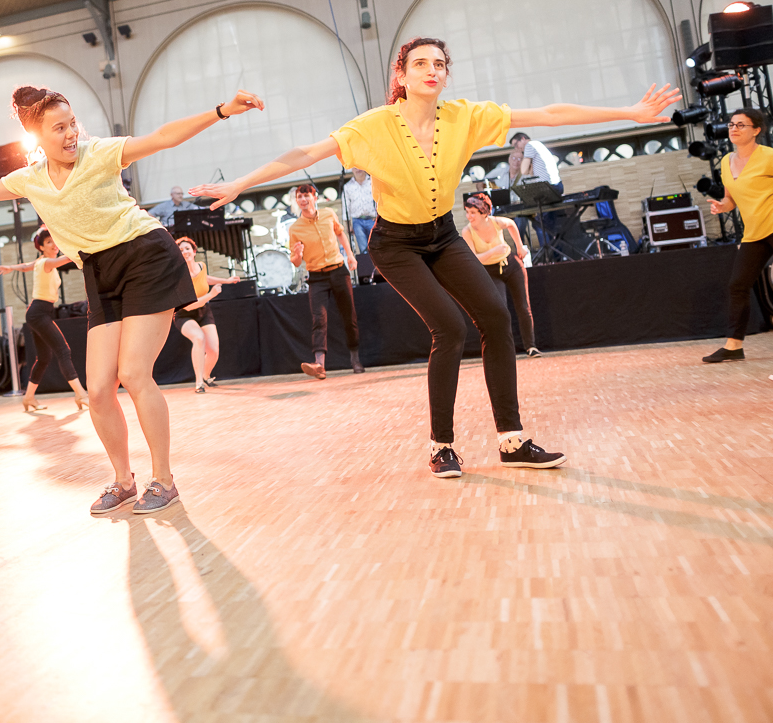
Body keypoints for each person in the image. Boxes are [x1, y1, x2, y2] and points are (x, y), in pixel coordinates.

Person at [193, 36, 679, 478]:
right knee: (449, 327)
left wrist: (631, 113)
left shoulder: (465, 116)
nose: (432, 70)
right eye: (420, 63)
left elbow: (548, 114)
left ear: (447, 75)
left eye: (440, 64)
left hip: (443, 236)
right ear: (400, 76)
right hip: (395, 244)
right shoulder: (374, 126)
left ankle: (511, 439)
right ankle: (441, 445)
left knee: (494, 314)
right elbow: (304, 154)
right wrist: (240, 183)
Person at [0, 84, 266, 514]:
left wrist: (222, 110)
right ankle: (122, 480)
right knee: (97, 389)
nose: (70, 133)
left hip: (145, 255)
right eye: (58, 128)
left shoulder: (99, 153)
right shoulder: (30, 179)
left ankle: (164, 480)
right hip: (99, 272)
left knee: (134, 374)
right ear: (37, 137)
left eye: (72, 123)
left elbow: (162, 136)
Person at [699, 107, 773, 364]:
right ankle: (733, 346)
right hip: (753, 233)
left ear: (756, 130)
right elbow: (731, 200)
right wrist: (722, 206)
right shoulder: (725, 161)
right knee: (738, 285)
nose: (733, 128)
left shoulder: (771, 156)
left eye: (741, 125)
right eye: (731, 124)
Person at [0, 227, 90, 412]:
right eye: (48, 242)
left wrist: (10, 268)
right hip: (39, 312)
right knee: (63, 350)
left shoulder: (40, 262)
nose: (54, 245)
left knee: (44, 358)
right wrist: (81, 245)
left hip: (39, 313)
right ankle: (80, 394)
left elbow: (25, 267)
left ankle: (29, 398)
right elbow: (67, 258)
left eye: (55, 241)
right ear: (41, 246)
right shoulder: (47, 262)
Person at [288, 183, 362, 380]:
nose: (303, 200)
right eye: (299, 198)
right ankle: (319, 365)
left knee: (349, 316)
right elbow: (296, 262)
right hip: (317, 277)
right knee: (319, 319)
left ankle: (355, 358)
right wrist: (297, 254)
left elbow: (339, 233)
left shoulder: (329, 214)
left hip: (338, 271)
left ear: (315, 197)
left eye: (306, 196)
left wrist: (350, 255)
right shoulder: (295, 228)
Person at [461, 192, 540, 357]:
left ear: (484, 212)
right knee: (501, 311)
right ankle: (505, 349)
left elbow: (511, 224)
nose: (469, 216)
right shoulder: (467, 232)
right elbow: (475, 259)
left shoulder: (496, 222)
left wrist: (519, 246)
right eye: (467, 212)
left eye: (473, 213)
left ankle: (531, 347)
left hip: (511, 266)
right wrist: (494, 250)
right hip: (490, 272)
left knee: (523, 308)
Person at [172, 235, 241, 393]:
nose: (184, 252)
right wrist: (211, 295)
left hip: (203, 311)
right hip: (184, 314)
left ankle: (205, 376)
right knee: (198, 338)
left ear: (194, 251)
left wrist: (227, 281)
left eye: (187, 249)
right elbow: (189, 307)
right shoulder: (179, 275)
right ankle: (199, 384)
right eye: (181, 250)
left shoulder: (201, 266)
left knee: (213, 351)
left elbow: (205, 279)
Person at [342, 168, 377, 254]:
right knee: (363, 249)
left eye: (359, 166)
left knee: (376, 245)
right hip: (357, 221)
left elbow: (379, 200)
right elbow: (346, 207)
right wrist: (348, 225)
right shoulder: (348, 186)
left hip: (372, 219)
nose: (358, 169)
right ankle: (367, 266)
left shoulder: (373, 182)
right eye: (355, 167)